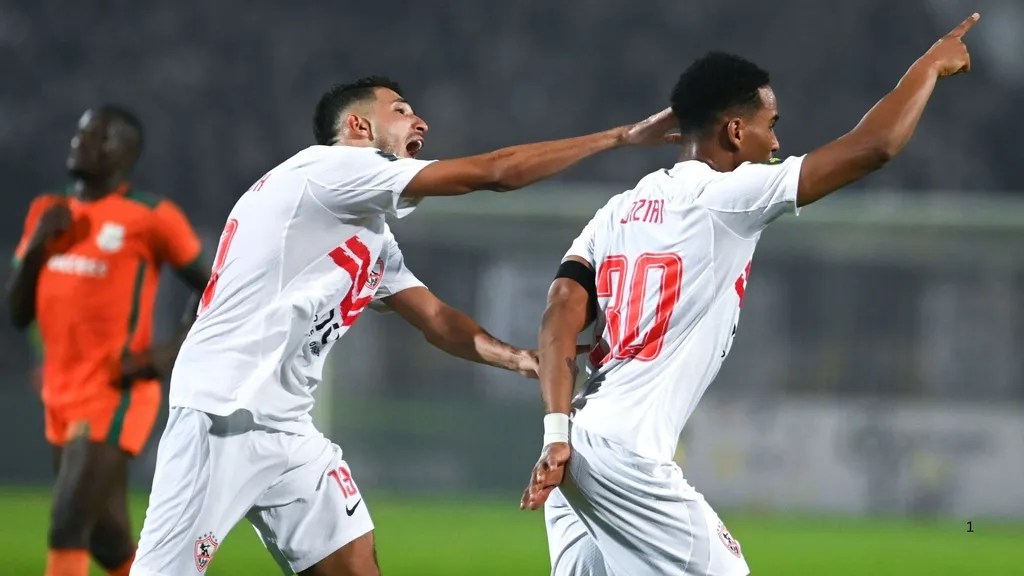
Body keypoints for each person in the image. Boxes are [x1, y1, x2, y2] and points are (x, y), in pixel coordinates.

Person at [129, 76, 677, 576]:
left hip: (288, 428)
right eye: (401, 110)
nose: (421, 123)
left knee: (353, 564)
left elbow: (436, 319)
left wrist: (517, 358)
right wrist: (620, 138)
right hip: (222, 413)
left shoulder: (369, 232)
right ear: (359, 127)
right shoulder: (330, 168)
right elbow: (493, 173)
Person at [521, 14, 979, 576]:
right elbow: (874, 147)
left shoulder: (614, 212)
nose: (778, 141)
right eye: (771, 124)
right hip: (627, 457)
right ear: (735, 132)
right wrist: (929, 64)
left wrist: (556, 432)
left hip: (575, 446)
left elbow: (559, 316)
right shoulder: (728, 195)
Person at [7, 105, 209, 576]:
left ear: (126, 152)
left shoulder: (151, 216)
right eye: (81, 132)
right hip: (59, 392)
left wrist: (168, 352)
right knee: (108, 540)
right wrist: (38, 244)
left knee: (66, 524)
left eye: (98, 136)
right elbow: (17, 314)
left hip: (114, 392)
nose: (82, 141)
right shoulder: (48, 211)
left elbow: (215, 285)